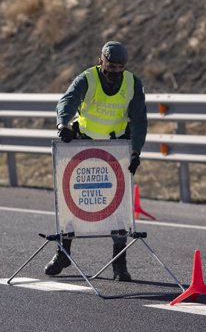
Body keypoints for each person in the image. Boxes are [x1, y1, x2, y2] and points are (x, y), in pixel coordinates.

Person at [45, 41, 147, 281]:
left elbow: (140, 120)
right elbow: (67, 102)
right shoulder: (87, 79)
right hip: (83, 147)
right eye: (110, 66)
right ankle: (63, 254)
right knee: (72, 201)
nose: (114, 72)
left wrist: (135, 152)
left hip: (115, 150)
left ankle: (119, 264)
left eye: (119, 68)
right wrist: (63, 125)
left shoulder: (133, 83)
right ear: (101, 60)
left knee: (117, 207)